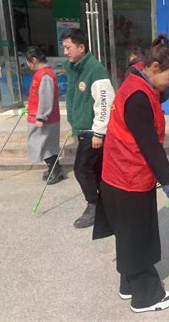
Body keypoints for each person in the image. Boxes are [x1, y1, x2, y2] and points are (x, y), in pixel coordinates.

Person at [93, 34, 169, 313]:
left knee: (128, 233)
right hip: (129, 178)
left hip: (116, 176)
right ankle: (146, 297)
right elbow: (151, 148)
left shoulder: (135, 78)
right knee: (140, 238)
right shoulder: (138, 99)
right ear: (154, 68)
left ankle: (128, 284)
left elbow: (157, 90)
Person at [62, 29, 115, 228]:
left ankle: (93, 205)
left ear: (81, 47)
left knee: (81, 169)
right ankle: (104, 205)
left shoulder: (94, 70)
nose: (65, 51)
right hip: (82, 129)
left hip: (93, 132)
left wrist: (99, 132)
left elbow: (104, 103)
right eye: (64, 47)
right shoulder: (74, 68)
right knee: (95, 169)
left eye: (68, 47)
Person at [25, 47, 64, 184]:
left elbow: (46, 98)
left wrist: (41, 116)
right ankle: (55, 169)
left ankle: (55, 170)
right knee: (46, 145)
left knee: (43, 144)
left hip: (44, 119)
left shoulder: (45, 75)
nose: (28, 65)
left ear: (34, 60)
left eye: (28, 62)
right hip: (39, 117)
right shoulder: (42, 74)